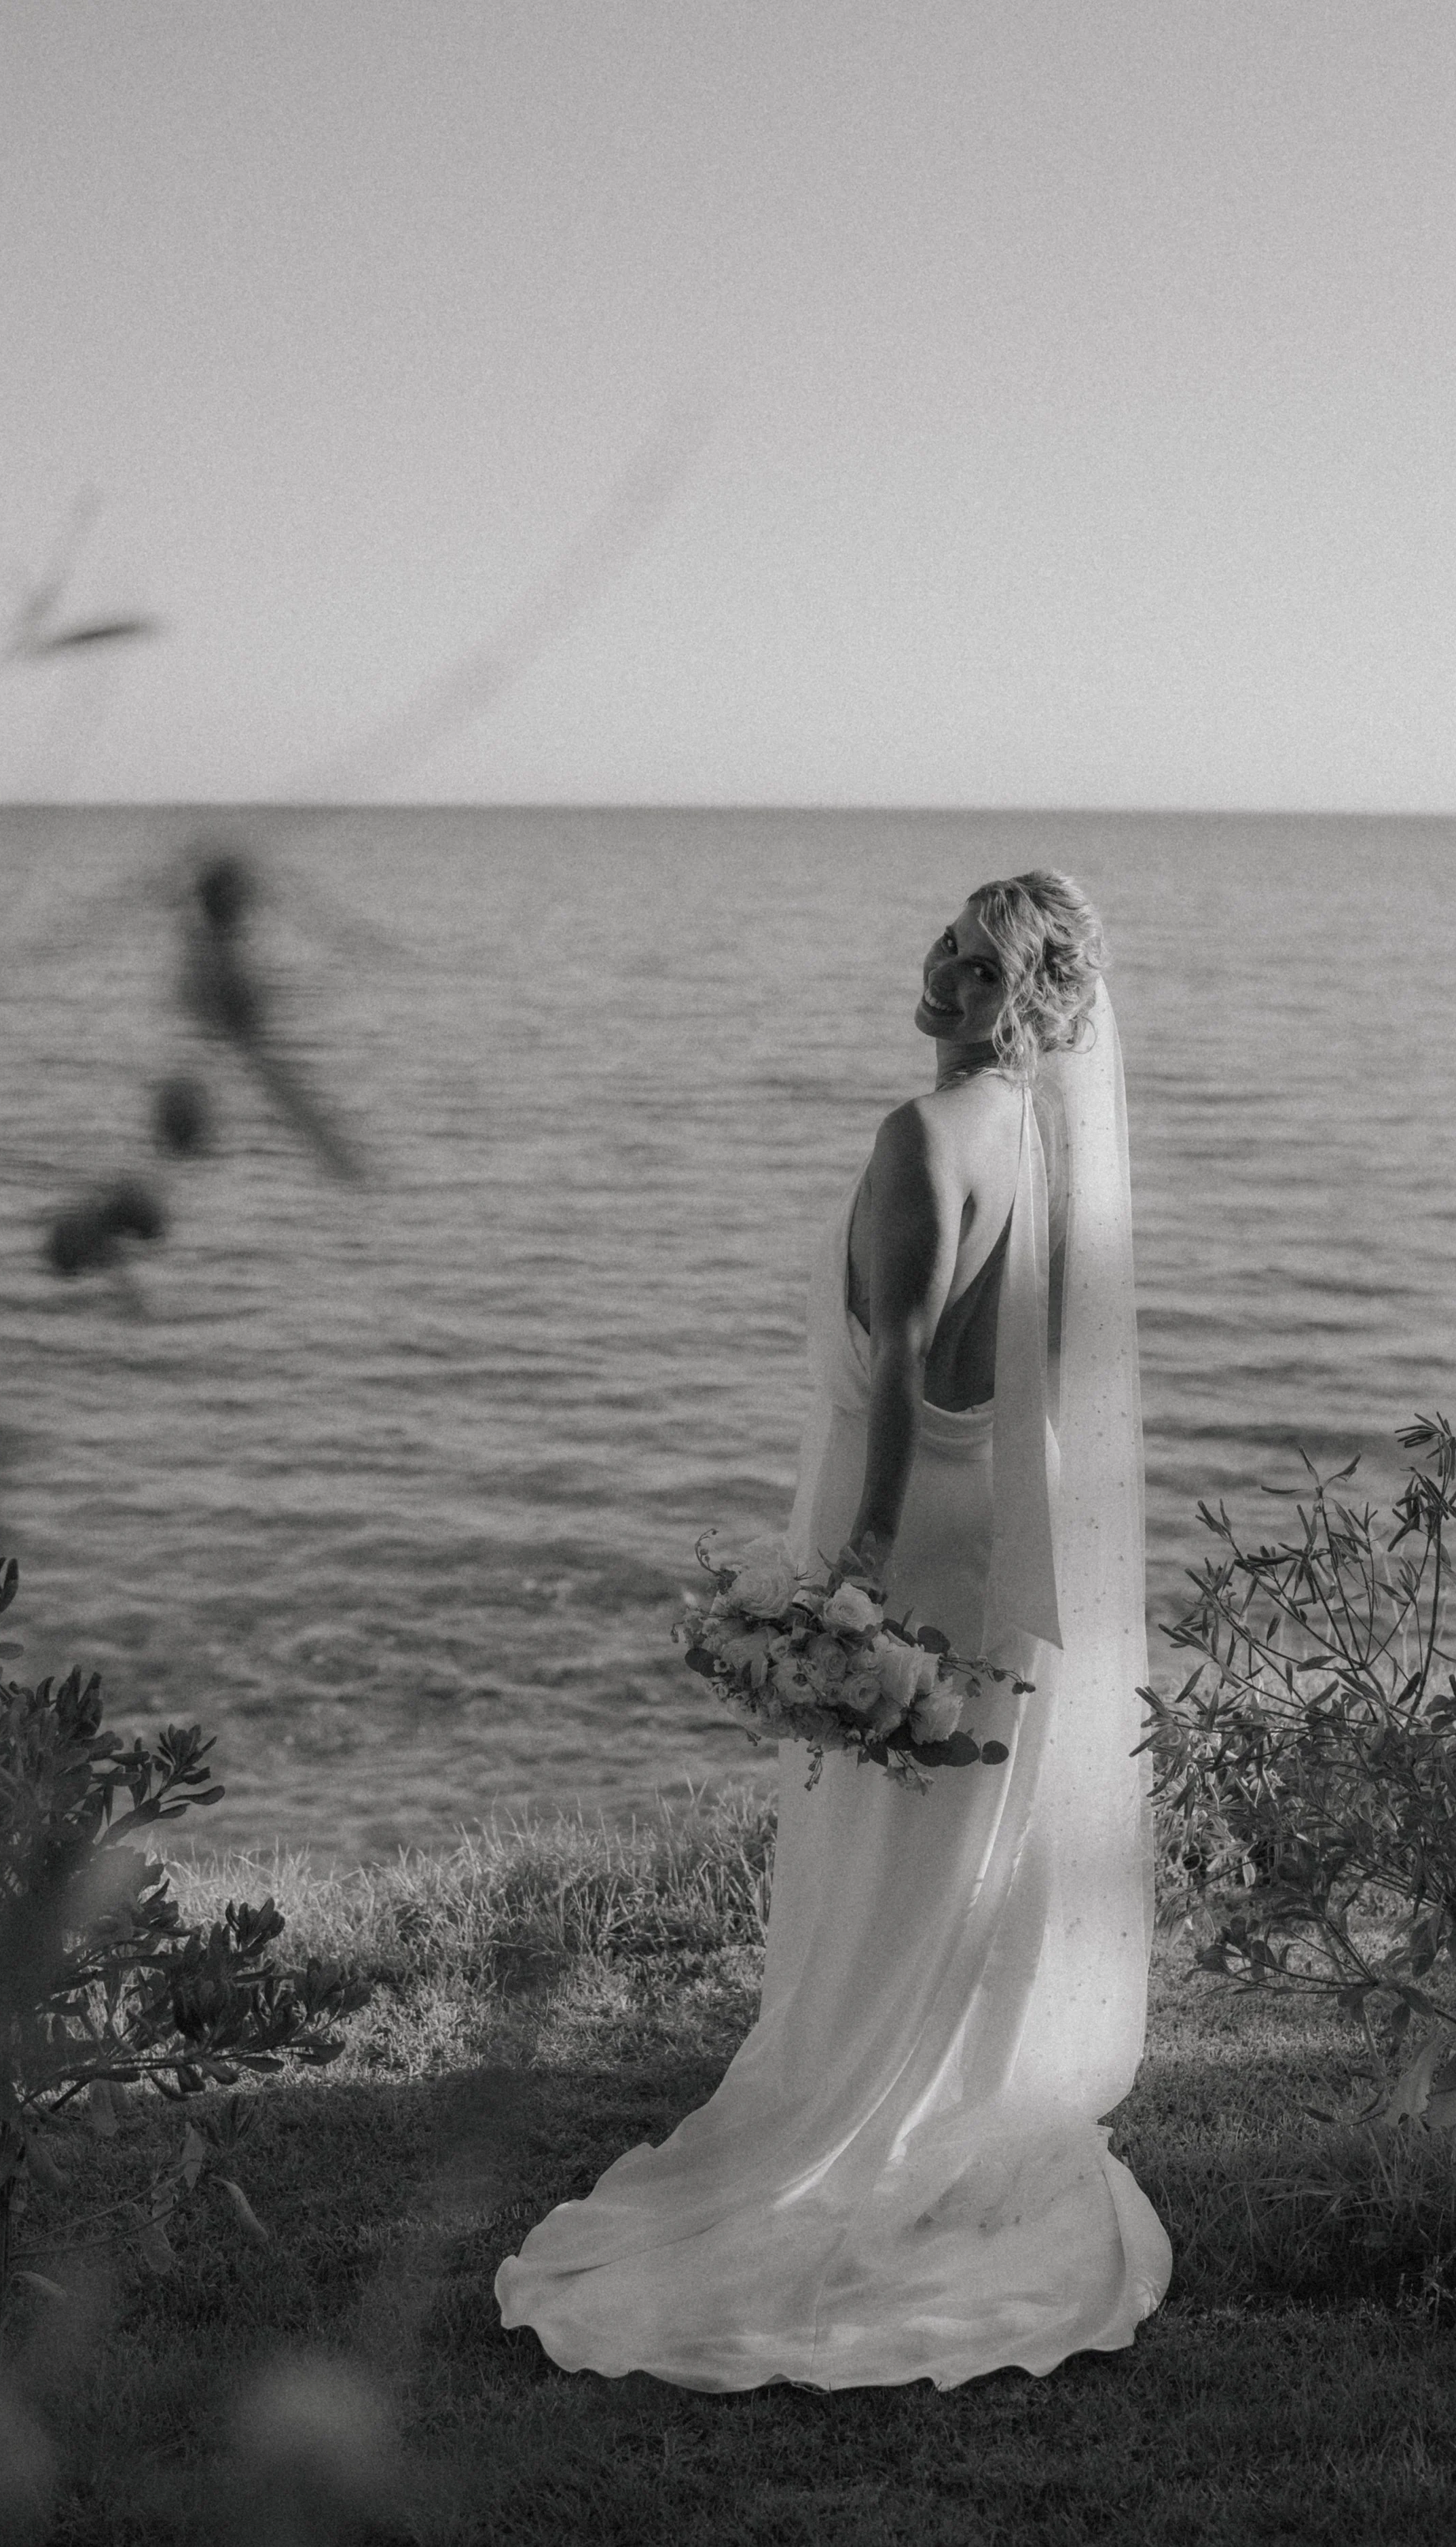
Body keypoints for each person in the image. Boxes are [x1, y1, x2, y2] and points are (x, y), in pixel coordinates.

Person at [495, 869, 1172, 2388]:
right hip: (985, 1531)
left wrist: (844, 1591)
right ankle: (930, 2087)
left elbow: (894, 1381)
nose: (944, 970)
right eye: (950, 942)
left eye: (982, 965)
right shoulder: (1036, 1148)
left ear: (1024, 1001)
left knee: (876, 1834)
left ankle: (849, 2108)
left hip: (900, 1535)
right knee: (938, 1839)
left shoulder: (920, 1135)